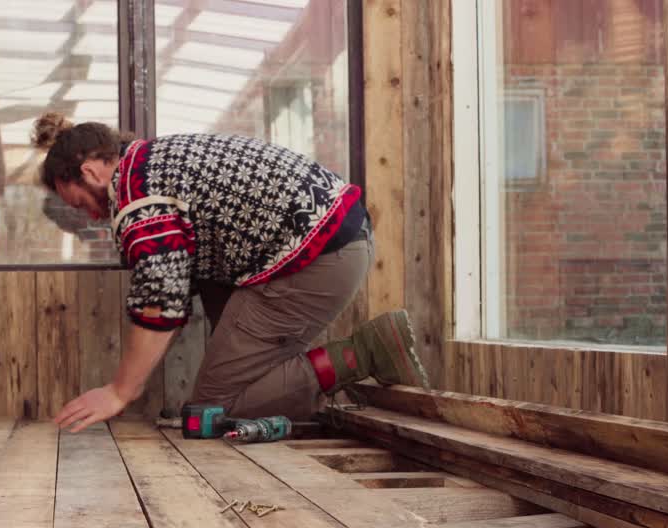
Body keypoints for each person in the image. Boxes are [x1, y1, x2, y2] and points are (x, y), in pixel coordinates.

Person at [33, 113, 429, 433]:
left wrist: (120, 392)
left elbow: (160, 301)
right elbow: (179, 282)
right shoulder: (153, 161)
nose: (93, 215)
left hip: (314, 258)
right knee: (229, 352)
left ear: (91, 172)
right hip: (322, 242)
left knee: (209, 412)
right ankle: (300, 380)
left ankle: (362, 355)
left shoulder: (137, 192)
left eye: (81, 203)